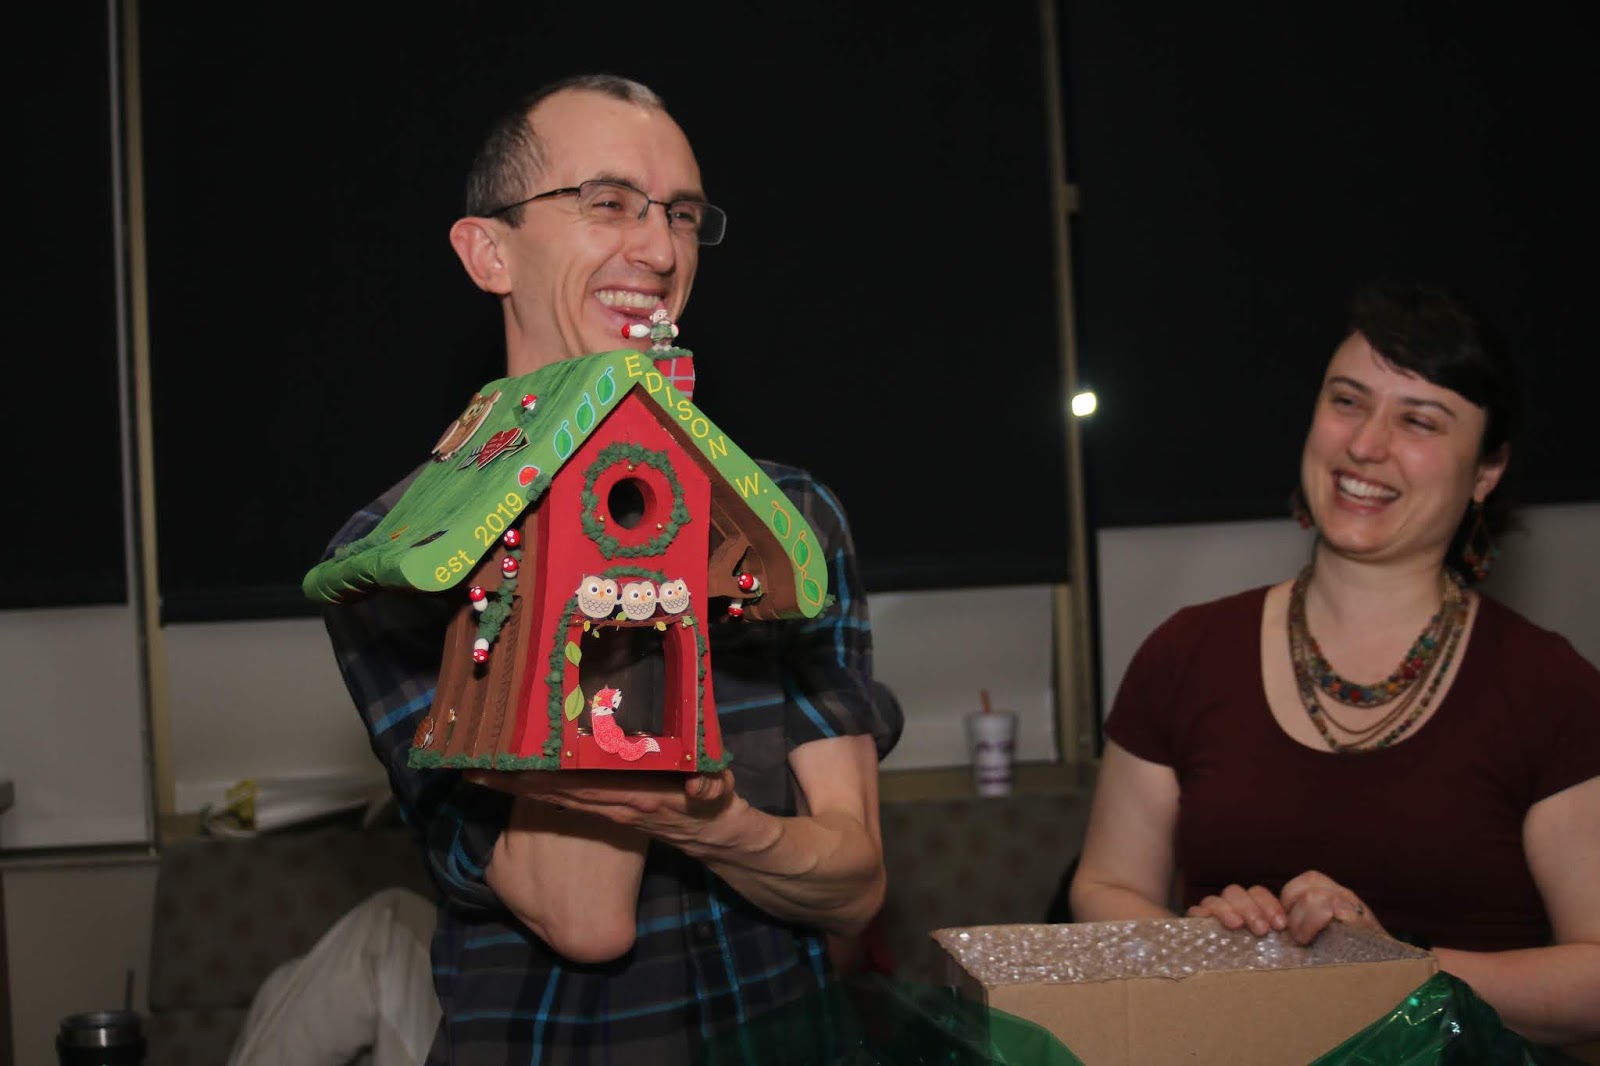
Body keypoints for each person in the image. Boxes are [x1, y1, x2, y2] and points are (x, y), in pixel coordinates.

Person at [319, 74, 901, 1064]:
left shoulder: (785, 516)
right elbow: (582, 914)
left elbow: (853, 884)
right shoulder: (402, 550)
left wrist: (723, 826)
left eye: (681, 214)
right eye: (608, 202)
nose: (662, 251)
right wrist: (611, 533)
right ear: (489, 251)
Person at [1069, 282, 1600, 1049]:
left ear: (1487, 471)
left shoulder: (1550, 688)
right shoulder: (1185, 653)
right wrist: (1209, 948)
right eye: (1347, 402)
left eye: (1419, 420)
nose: (1365, 445)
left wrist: (1392, 970)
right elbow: (1104, 886)